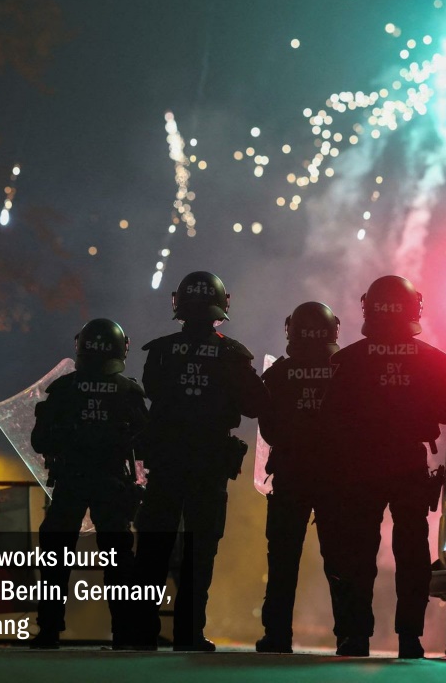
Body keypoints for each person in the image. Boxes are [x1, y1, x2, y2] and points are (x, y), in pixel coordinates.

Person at [319, 275, 446, 658]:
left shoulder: (351, 360)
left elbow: (330, 419)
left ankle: (356, 637)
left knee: (359, 554)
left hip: (361, 468)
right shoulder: (429, 359)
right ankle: (410, 639)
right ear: (413, 308)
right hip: (408, 466)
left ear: (370, 308)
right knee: (412, 554)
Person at [133, 271, 269, 652]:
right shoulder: (233, 355)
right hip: (209, 464)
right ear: (221, 306)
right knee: (200, 548)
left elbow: (152, 389)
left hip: (166, 461)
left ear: (178, 304)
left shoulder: (161, 351)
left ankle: (141, 631)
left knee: (154, 546)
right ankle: (188, 633)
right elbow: (256, 404)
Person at [28, 318, 149, 650]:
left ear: (80, 347)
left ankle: (49, 630)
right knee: (118, 558)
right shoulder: (128, 391)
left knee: (55, 556)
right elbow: (147, 442)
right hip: (113, 483)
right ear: (120, 349)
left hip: (71, 481)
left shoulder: (63, 389)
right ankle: (124, 633)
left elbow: (39, 441)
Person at [256, 302, 340, 654]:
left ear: (292, 330)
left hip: (290, 476)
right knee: (341, 558)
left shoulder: (277, 375)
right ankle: (352, 635)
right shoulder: (345, 369)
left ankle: (277, 635)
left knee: (282, 560)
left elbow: (269, 430)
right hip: (336, 477)